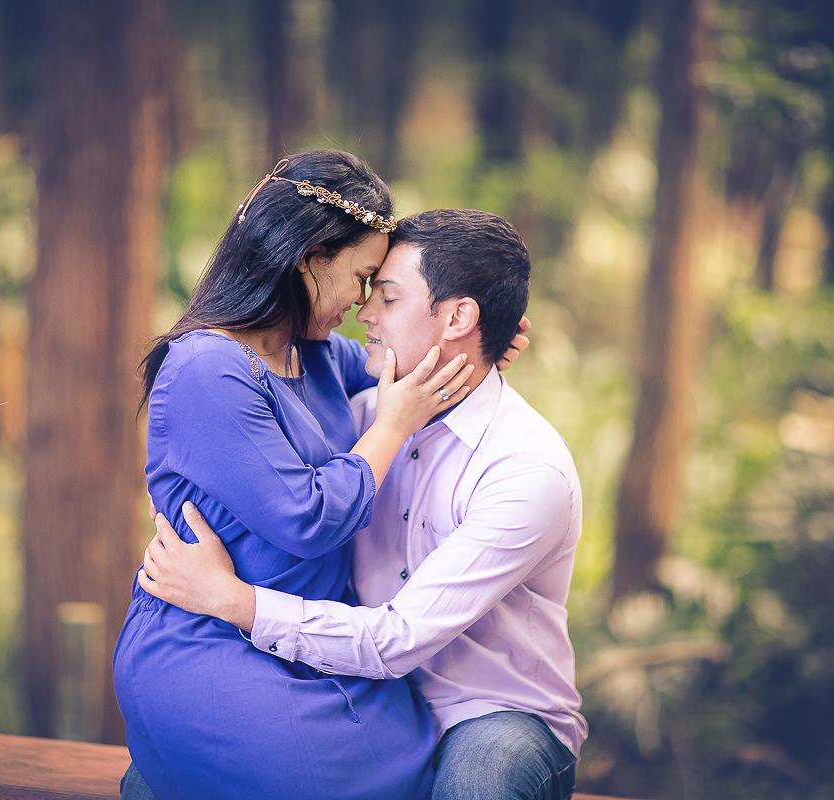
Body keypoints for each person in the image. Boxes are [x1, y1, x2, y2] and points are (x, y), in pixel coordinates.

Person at [139, 209, 587, 800]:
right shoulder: (361, 419)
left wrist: (234, 601)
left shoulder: (527, 471)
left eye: (389, 297)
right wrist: (184, 484)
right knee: (156, 776)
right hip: (357, 687)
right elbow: (255, 434)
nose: (365, 313)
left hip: (487, 709)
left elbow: (396, 639)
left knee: (477, 784)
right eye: (367, 287)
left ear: (457, 317)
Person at [114, 149, 489, 800]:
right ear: (308, 257)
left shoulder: (310, 353)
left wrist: (482, 337)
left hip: (312, 643)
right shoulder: (208, 368)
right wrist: (391, 427)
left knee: (411, 759)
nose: (364, 302)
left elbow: (403, 358)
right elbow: (308, 518)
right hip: (211, 643)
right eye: (362, 277)